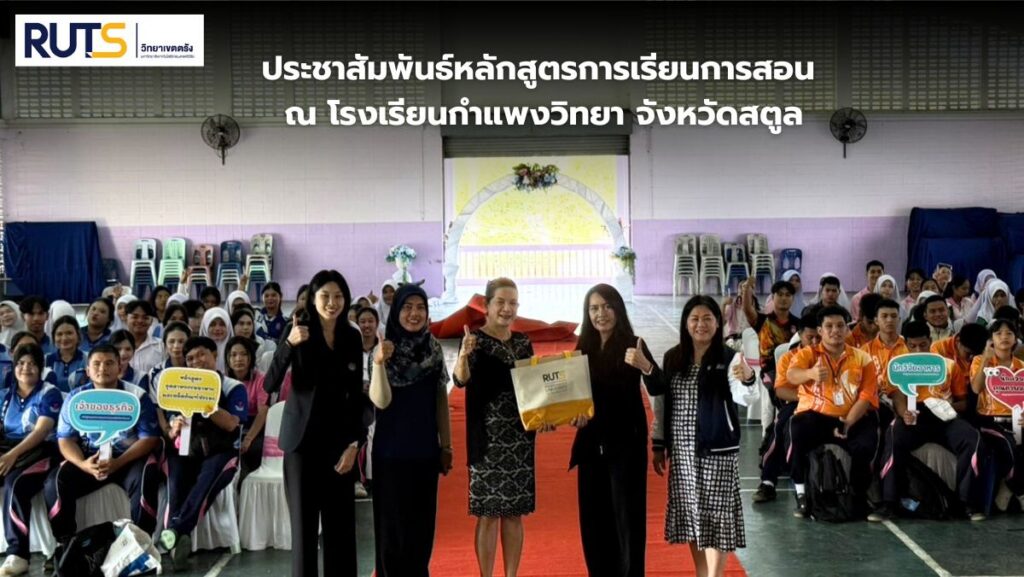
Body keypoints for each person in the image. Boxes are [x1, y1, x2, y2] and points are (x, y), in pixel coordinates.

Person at [264, 270, 364, 577]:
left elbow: (356, 395)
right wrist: (289, 344)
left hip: (339, 447)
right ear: (313, 299)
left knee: (341, 532)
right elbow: (269, 384)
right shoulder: (298, 329)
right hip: (302, 447)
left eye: (338, 296)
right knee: (304, 533)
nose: (332, 303)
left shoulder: (352, 337)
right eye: (325, 296)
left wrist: (355, 443)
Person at [650, 295, 754, 577]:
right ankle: (701, 572)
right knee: (693, 515)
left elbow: (744, 397)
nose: (701, 324)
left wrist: (747, 377)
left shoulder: (730, 357)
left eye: (707, 318)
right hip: (682, 451)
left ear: (718, 323)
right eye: (694, 319)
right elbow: (662, 403)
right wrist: (659, 443)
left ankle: (714, 575)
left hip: (718, 449)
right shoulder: (673, 357)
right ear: (686, 323)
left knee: (716, 518)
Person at [570, 284, 662, 577]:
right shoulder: (582, 347)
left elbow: (659, 387)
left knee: (627, 518)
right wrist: (571, 415)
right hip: (590, 446)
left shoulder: (634, 344)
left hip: (626, 445)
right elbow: (573, 397)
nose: (601, 314)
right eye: (594, 308)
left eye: (607, 306)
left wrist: (646, 366)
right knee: (593, 519)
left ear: (618, 309)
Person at [44, 345, 163, 563]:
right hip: (89, 458)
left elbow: (149, 438)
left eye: (109, 363)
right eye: (97, 364)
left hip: (127, 459)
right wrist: (83, 464)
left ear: (120, 367)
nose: (103, 368)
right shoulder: (75, 399)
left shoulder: (137, 396)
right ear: (88, 370)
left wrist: (118, 463)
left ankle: (142, 545)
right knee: (55, 481)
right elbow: (65, 439)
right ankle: (66, 546)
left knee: (148, 474)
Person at [367, 284, 452, 577]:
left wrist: (446, 445)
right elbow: (381, 401)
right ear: (396, 311)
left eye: (420, 307)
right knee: (391, 533)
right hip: (390, 454)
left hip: (425, 452)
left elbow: (440, 398)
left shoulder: (433, 348)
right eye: (407, 307)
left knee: (421, 531)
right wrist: (379, 363)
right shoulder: (383, 349)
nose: (414, 314)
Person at [453, 277, 535, 577]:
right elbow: (459, 380)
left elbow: (533, 389)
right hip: (486, 440)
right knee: (487, 514)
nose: (506, 309)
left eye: (512, 303)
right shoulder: (474, 340)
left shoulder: (523, 342)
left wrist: (547, 414)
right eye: (500, 302)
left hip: (519, 439)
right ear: (486, 306)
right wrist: (464, 355)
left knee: (513, 513)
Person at [871, 321, 986, 522]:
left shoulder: (948, 365)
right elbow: (897, 395)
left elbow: (963, 402)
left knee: (972, 438)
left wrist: (947, 407)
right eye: (913, 346)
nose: (918, 350)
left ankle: (966, 503)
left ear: (930, 341)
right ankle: (889, 503)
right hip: (914, 415)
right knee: (893, 434)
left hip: (945, 417)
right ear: (905, 344)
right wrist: (904, 413)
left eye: (923, 345)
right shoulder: (898, 365)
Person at [158, 336, 248, 569]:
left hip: (221, 453)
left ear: (214, 355)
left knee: (205, 482)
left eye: (201, 355)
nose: (196, 361)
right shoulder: (179, 386)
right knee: (175, 483)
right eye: (190, 358)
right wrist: (174, 427)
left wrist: (206, 403)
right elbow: (170, 426)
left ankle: (174, 531)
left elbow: (231, 424)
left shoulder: (232, 387)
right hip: (186, 451)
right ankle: (178, 539)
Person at [786, 305, 879, 518]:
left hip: (852, 417)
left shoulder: (863, 358)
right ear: (820, 331)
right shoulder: (808, 354)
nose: (835, 330)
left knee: (867, 440)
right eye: (829, 326)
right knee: (796, 426)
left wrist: (848, 422)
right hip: (817, 418)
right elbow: (791, 375)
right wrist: (810, 373)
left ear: (847, 329)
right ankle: (801, 493)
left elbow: (866, 396)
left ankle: (858, 494)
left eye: (840, 325)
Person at [0, 344, 63, 577]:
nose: (26, 368)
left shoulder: (49, 393)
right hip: (10, 449)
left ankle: (18, 554)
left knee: (15, 484)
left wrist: (12, 455)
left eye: (32, 363)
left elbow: (41, 431)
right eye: (20, 363)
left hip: (43, 451)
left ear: (41, 367)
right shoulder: (6, 395)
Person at [754, 310, 821, 503]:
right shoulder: (788, 358)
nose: (815, 342)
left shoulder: (829, 355)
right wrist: (807, 398)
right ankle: (768, 482)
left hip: (827, 406)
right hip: (797, 404)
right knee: (780, 426)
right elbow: (781, 391)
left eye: (818, 337)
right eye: (810, 337)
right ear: (799, 334)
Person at [971, 318, 1024, 511]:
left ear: (1015, 339)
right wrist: (986, 359)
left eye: (1009, 333)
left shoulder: (1021, 365)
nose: (1004, 337)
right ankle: (1019, 491)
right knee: (1010, 447)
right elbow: (976, 388)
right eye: (999, 333)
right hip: (990, 420)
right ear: (991, 339)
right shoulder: (980, 361)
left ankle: (1007, 487)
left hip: (1018, 419)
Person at [226, 336, 269, 479]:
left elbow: (263, 412)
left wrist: (249, 438)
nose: (238, 359)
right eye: (233, 355)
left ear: (250, 358)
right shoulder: (223, 379)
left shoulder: (260, 379)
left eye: (243, 354)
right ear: (227, 359)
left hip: (254, 428)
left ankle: (245, 487)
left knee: (251, 450)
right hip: (231, 426)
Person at [355, 306, 380, 497]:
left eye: (370, 321)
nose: (366, 325)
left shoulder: (383, 349)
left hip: (378, 400)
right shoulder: (351, 348)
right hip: (355, 400)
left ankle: (372, 479)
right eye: (362, 321)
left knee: (373, 429)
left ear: (377, 324)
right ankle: (359, 478)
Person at [45, 316, 85, 393]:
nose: (64, 338)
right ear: (53, 337)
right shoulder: (46, 360)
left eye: (69, 333)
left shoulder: (88, 359)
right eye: (59, 334)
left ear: (78, 335)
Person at [125, 301, 164, 378]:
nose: (140, 321)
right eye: (135, 317)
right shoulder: (116, 345)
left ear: (151, 321)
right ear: (126, 318)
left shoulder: (161, 346)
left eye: (145, 318)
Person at [200, 307, 234, 372]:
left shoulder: (236, 351)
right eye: (212, 324)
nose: (217, 328)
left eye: (222, 324)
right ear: (205, 327)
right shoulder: (196, 353)